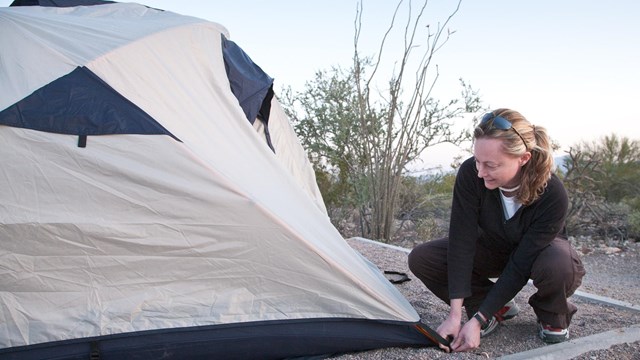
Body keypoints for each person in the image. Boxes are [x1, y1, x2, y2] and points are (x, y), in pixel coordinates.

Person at [408, 108, 586, 352]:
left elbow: (521, 264)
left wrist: (477, 320)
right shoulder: (471, 174)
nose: (480, 173)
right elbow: (462, 241)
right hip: (493, 248)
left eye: (491, 165)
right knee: (424, 258)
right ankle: (489, 305)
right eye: (478, 161)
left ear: (522, 159)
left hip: (538, 255)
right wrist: (455, 315)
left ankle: (551, 313)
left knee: (558, 264)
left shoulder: (552, 193)